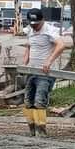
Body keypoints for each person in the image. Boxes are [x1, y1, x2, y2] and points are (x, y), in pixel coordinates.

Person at [22, 9, 67, 137]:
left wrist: (49, 61)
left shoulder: (49, 30)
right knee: (28, 101)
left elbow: (61, 45)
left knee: (39, 101)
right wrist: (26, 58)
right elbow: (29, 45)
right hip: (32, 71)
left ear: (42, 20)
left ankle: (41, 131)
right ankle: (32, 130)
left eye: (36, 23)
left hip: (45, 73)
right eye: (32, 23)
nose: (34, 26)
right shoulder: (30, 30)